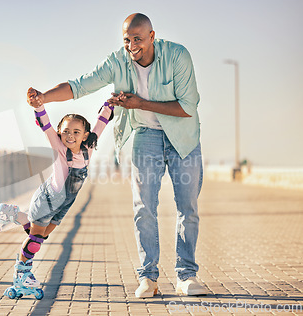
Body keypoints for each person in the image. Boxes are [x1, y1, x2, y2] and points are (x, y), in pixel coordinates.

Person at [27, 13, 207, 298]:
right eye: (126, 39)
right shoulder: (117, 62)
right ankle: (148, 278)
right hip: (146, 136)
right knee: (143, 208)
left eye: (138, 39)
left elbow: (188, 107)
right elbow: (80, 85)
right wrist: (43, 98)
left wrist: (140, 103)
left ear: (152, 36)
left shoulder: (177, 56)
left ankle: (187, 275)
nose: (132, 45)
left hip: (183, 138)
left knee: (188, 207)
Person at [10, 88, 114, 293]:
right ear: (59, 133)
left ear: (86, 135)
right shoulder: (58, 146)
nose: (70, 135)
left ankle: (13, 214)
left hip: (64, 204)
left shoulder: (89, 147)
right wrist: (38, 105)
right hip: (48, 198)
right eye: (65, 131)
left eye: (76, 132)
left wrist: (111, 104)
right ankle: (21, 274)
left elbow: (102, 122)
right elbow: (45, 124)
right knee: (35, 241)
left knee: (42, 234)